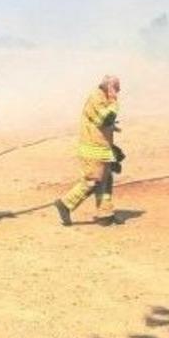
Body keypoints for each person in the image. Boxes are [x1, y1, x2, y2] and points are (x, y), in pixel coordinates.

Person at [54, 75, 121, 227]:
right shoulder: (96, 98)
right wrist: (113, 100)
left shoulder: (103, 97)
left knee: (106, 180)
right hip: (92, 148)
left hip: (102, 147)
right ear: (109, 86)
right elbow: (104, 119)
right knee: (93, 180)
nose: (119, 90)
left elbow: (101, 122)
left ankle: (105, 215)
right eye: (116, 86)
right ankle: (65, 204)